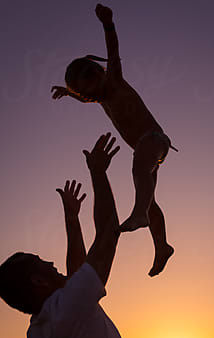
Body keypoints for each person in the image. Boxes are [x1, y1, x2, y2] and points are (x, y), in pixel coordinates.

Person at [0, 133, 151, 338]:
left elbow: (76, 277)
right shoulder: (66, 311)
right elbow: (107, 234)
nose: (50, 262)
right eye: (42, 262)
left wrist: (72, 219)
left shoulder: (38, 332)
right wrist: (97, 172)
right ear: (37, 281)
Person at [51, 4, 176, 276]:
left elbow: (113, 51)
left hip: (154, 139)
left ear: (100, 73)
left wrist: (108, 24)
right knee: (149, 195)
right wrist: (70, 94)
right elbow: (87, 98)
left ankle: (140, 214)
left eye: (93, 80)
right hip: (148, 150)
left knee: (139, 171)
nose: (94, 90)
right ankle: (162, 246)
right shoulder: (101, 99)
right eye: (86, 90)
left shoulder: (115, 80)